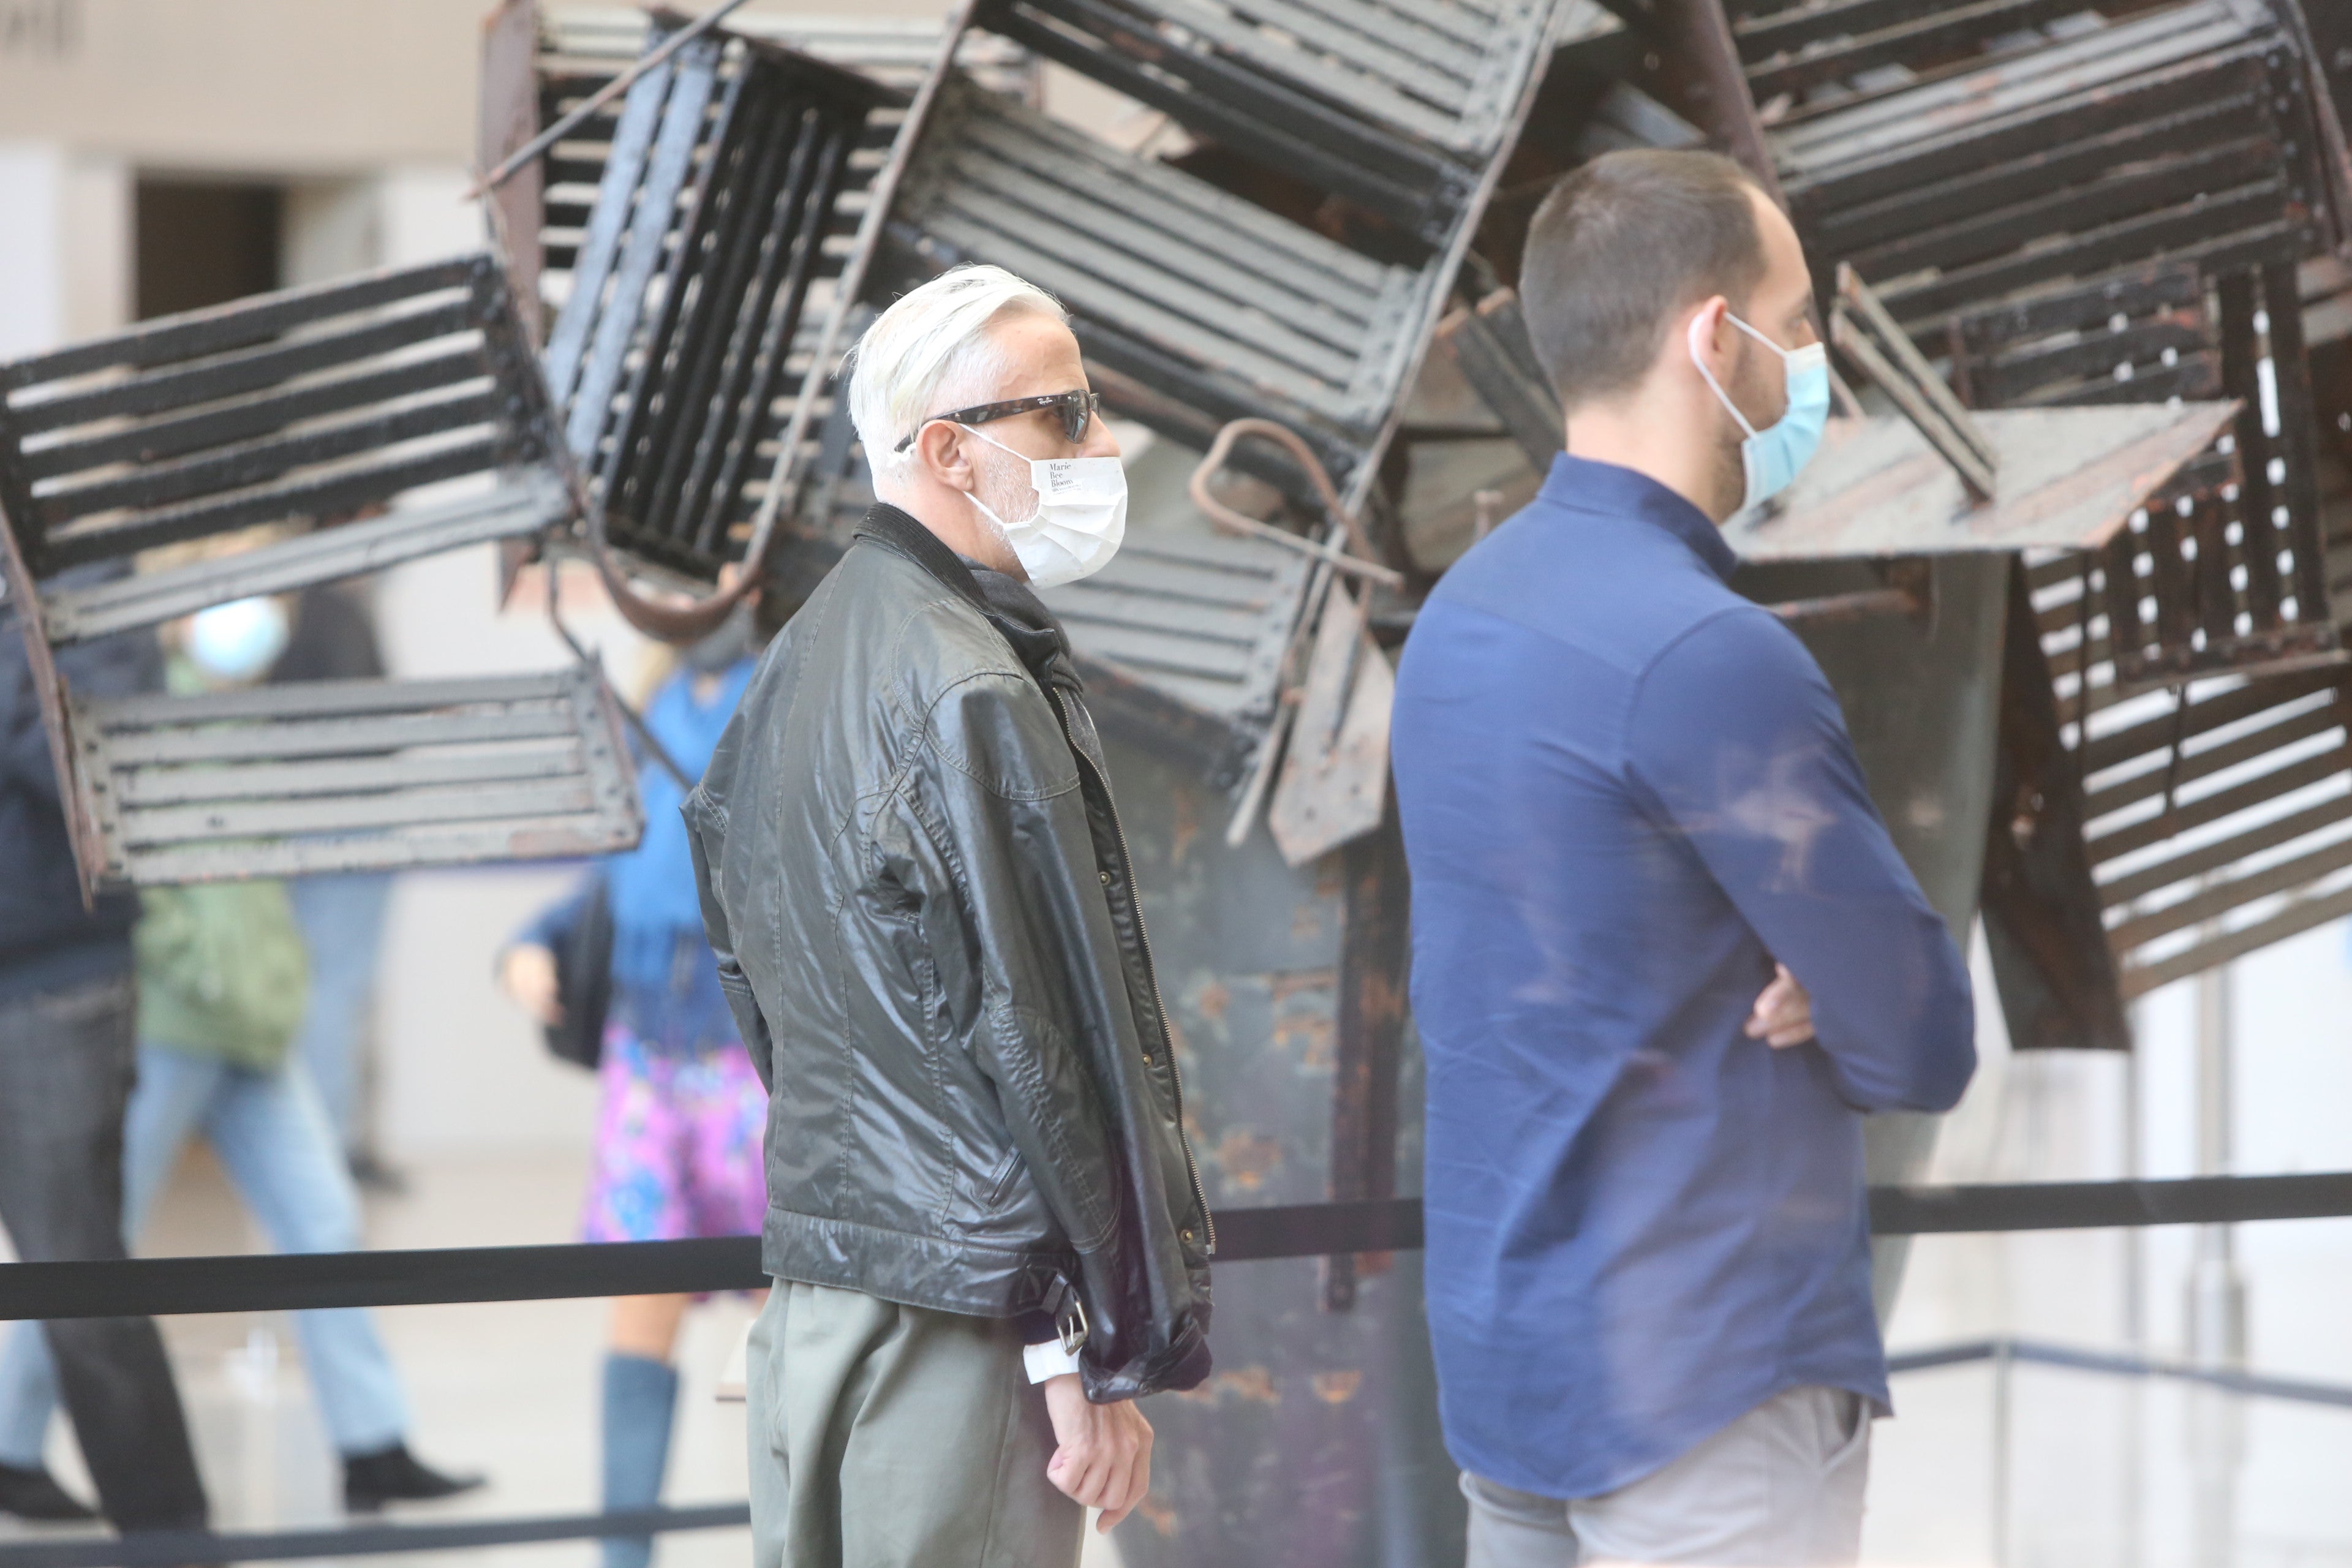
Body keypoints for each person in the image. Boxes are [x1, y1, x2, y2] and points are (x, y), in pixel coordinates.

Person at [1389, 149, 1978, 1568]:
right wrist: (1832, 989)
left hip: (1507, 1360)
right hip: (1702, 1378)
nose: (1810, 364)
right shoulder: (1711, 655)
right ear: (1712, 340)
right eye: (1796, 321)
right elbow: (1918, 1040)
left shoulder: (1459, 620)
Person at [682, 263, 1213, 1568]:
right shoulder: (971, 684)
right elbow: (1032, 1046)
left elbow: (769, 997)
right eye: (1066, 414)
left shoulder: (799, 661)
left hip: (822, 1295)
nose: (1100, 448)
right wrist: (1080, 1347)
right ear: (946, 450)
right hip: (965, 1333)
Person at [0, 596, 484, 1517]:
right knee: (85, 1253)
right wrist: (198, 973)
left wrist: (274, 987)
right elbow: (138, 867)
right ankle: (10, 1446)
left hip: (255, 1034)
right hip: (176, 1027)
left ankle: (372, 1442)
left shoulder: (240, 719)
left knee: (325, 1225)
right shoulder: (149, 709)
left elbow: (261, 891)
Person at [497, 621, 766, 1568]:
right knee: (640, 1308)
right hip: (649, 1047)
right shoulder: (662, 687)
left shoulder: (792, 672)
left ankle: (812, 1539)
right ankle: (624, 1558)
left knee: (797, 1313)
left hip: (756, 1057)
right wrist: (533, 937)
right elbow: (627, 855)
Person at [0, 566, 211, 1532]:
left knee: (79, 1286)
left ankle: (171, 1541)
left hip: (53, 986)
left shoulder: (90, 581)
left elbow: (97, 773)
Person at [272, 584, 399, 1187]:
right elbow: (370, 726)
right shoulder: (333, 610)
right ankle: (330, 1150)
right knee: (333, 993)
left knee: (319, 992)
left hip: (304, 825)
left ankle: (322, 1149)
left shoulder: (296, 610)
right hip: (347, 828)